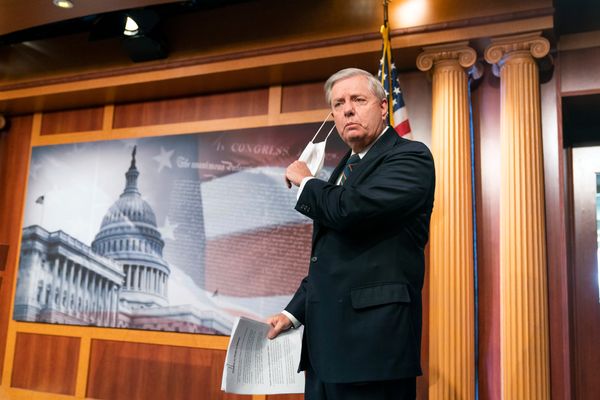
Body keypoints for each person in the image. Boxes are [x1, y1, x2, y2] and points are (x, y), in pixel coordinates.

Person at [267, 68, 435, 400]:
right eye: (339, 104)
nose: (347, 110)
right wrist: (293, 313)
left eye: (358, 100)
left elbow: (353, 210)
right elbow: (332, 255)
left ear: (383, 107)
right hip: (323, 351)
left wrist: (307, 181)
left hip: (372, 348)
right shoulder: (344, 168)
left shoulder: (411, 157)